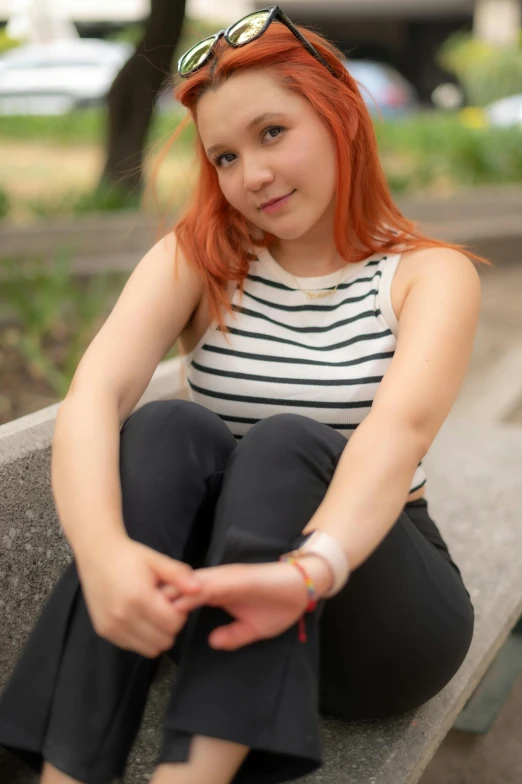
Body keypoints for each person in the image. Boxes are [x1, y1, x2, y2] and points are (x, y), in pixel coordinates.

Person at [0, 7, 489, 784]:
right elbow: (94, 395)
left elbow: (393, 437)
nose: (250, 174)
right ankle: (66, 773)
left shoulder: (428, 275)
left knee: (285, 441)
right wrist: (103, 558)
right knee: (165, 427)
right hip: (222, 599)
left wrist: (307, 572)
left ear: (341, 116)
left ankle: (191, 777)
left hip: (370, 611)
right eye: (224, 155)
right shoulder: (199, 257)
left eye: (272, 133)